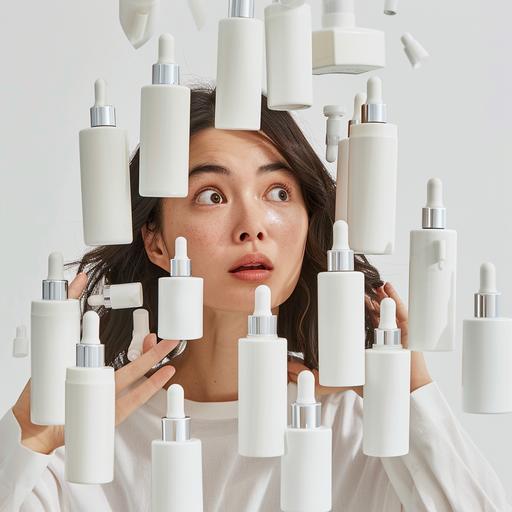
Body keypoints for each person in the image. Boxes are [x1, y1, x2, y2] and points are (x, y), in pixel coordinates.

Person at [1, 87, 510, 512]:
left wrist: (410, 397)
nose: (252, 227)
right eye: (211, 196)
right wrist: (28, 435)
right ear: (155, 240)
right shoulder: (86, 441)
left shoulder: (358, 431)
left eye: (278, 194)